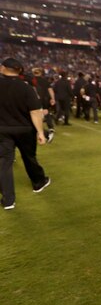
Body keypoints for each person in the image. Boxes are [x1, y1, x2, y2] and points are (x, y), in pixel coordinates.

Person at [0, 58, 51, 210]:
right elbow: (35, 112)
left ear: (3, 68)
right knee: (29, 157)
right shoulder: (26, 87)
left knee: (4, 162)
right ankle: (38, 182)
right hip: (24, 130)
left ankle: (8, 200)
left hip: (3, 130)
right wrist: (41, 132)